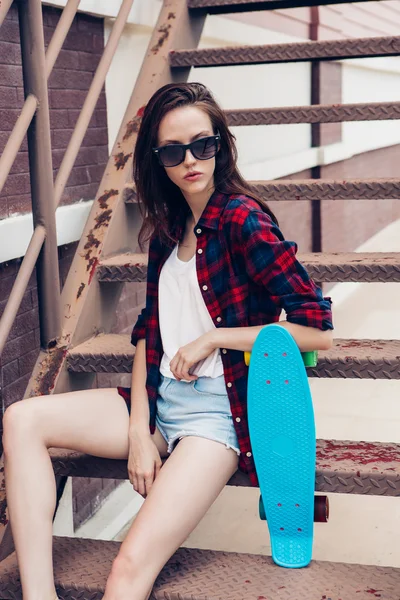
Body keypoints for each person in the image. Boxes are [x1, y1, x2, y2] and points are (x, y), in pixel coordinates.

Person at [2, 81, 334, 600]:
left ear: (220, 143)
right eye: (173, 151)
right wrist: (138, 426)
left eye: (202, 144)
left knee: (128, 568)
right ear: (158, 161)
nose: (190, 161)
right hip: (158, 406)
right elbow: (146, 336)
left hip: (217, 420)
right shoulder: (166, 230)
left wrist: (215, 338)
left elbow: (316, 327)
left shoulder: (243, 220)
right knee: (22, 419)